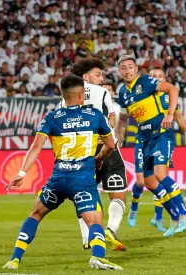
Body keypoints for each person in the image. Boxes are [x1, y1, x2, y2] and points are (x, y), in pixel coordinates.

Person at [2, 75, 122, 270]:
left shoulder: (52, 117)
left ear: (63, 95)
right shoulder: (95, 115)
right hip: (82, 180)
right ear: (82, 95)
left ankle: (14, 259)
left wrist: (22, 173)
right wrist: (98, 159)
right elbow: (110, 145)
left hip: (58, 180)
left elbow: (35, 147)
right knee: (95, 220)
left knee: (36, 214)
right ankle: (97, 257)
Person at [117, 55, 186, 237]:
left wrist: (169, 115)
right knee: (150, 182)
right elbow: (122, 119)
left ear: (136, 69)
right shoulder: (122, 93)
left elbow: (173, 89)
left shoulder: (146, 82)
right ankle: (174, 217)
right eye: (123, 68)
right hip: (144, 138)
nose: (127, 71)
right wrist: (118, 138)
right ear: (119, 71)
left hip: (161, 134)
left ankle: (185, 213)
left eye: (130, 67)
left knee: (160, 174)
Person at [68, 58, 127, 252]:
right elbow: (111, 115)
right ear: (85, 76)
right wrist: (108, 130)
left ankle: (87, 238)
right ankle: (110, 229)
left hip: (80, 150)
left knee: (84, 194)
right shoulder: (101, 92)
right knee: (118, 192)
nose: (102, 78)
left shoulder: (67, 94)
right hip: (105, 146)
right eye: (97, 74)